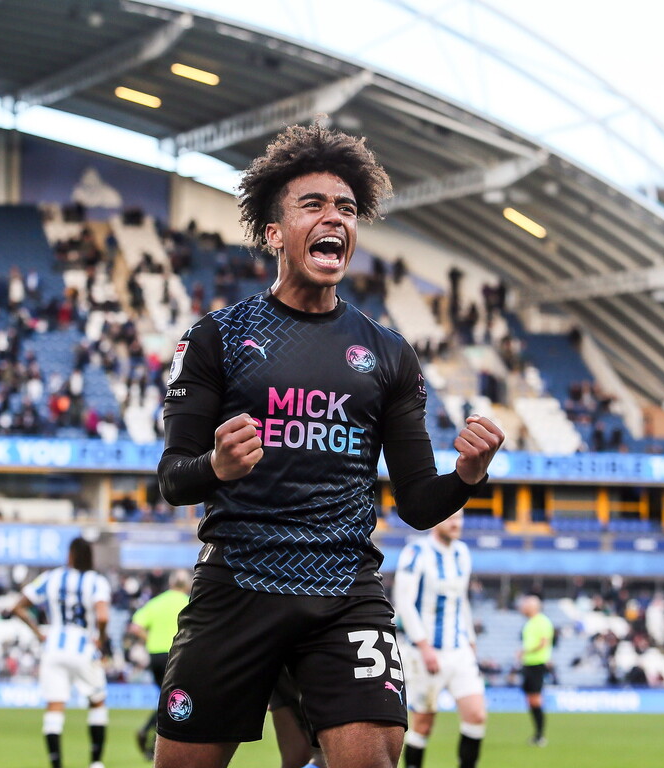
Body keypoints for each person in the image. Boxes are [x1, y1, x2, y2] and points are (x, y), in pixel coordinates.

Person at [155, 122, 504, 768]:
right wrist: (219, 465)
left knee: (373, 757)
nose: (334, 218)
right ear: (274, 232)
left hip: (342, 589)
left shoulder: (389, 354)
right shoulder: (216, 339)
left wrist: (468, 475)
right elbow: (174, 478)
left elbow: (421, 504)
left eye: (346, 208)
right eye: (312, 205)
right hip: (239, 582)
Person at [392, 510, 486, 768]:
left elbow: (461, 600)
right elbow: (405, 603)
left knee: (476, 715)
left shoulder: (463, 553)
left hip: (459, 650)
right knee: (423, 723)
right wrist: (424, 646)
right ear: (435, 521)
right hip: (426, 652)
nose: (456, 523)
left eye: (460, 517)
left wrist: (471, 638)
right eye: (450, 518)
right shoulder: (416, 553)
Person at [12, 537, 112, 768]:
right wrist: (101, 639)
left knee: (54, 707)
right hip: (83, 647)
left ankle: (56, 763)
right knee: (97, 701)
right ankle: (96, 762)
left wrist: (38, 633)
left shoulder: (51, 577)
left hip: (54, 648)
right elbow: (103, 616)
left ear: (70, 555)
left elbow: (17, 607)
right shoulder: (95, 581)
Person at [127, 569, 192, 760]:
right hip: (177, 655)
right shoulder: (188, 602)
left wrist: (149, 638)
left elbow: (135, 626)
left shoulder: (156, 602)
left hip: (154, 656)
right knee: (175, 700)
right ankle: (152, 734)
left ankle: (152, 740)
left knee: (167, 699)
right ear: (187, 584)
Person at [517, 595, 554, 747]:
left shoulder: (542, 621)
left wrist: (525, 651)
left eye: (525, 604)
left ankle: (540, 736)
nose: (522, 607)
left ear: (533, 607)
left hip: (537, 664)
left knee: (535, 699)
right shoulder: (530, 623)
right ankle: (537, 734)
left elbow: (543, 643)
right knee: (530, 699)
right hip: (528, 664)